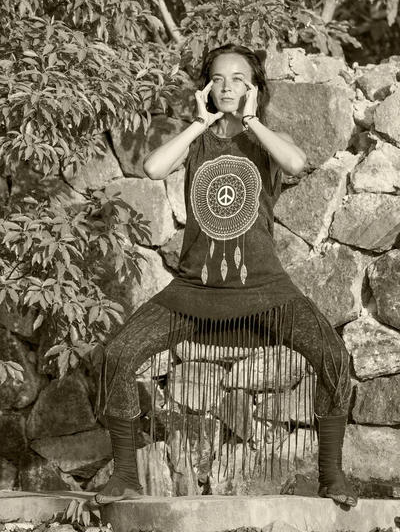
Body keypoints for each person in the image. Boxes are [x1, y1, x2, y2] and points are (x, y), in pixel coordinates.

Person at [92, 43, 358, 508]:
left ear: (255, 87)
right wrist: (199, 122)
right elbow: (154, 168)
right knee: (118, 354)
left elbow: (296, 164)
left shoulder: (264, 139)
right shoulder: (196, 137)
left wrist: (252, 121)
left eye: (239, 78)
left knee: (334, 357)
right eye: (218, 79)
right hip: (193, 291)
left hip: (266, 290)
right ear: (206, 87)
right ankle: (127, 475)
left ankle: (331, 476)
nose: (228, 86)